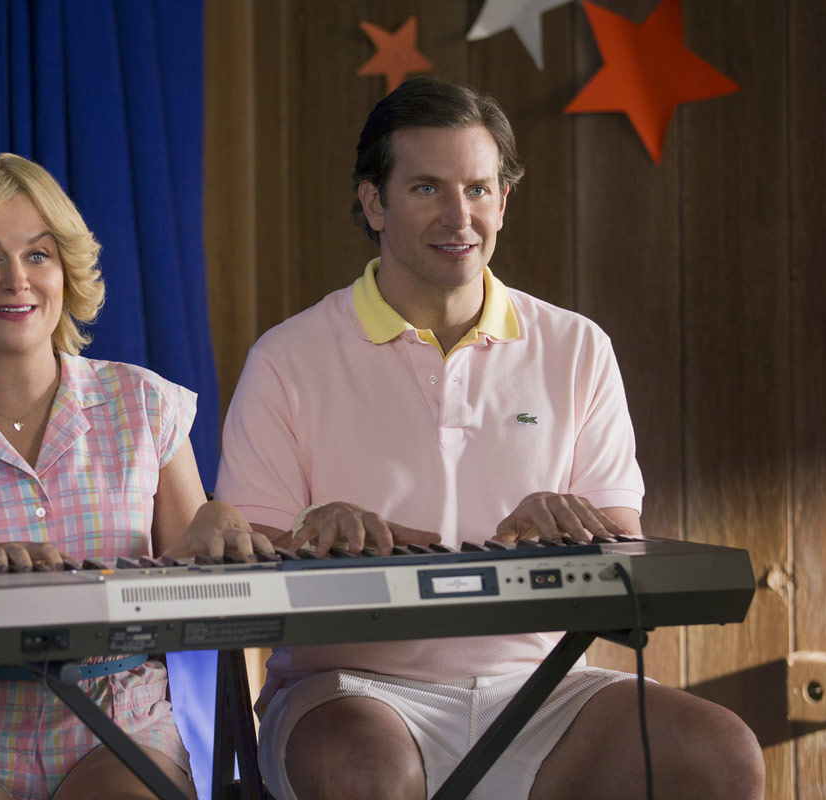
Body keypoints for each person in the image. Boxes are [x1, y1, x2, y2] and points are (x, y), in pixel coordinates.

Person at [213, 77, 765, 799]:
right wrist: (314, 534)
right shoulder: (286, 358)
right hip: (349, 692)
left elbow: (621, 536)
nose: (459, 216)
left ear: (503, 200)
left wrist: (572, 530)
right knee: (367, 772)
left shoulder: (578, 348)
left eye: (478, 189)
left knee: (723, 754)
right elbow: (245, 550)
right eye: (426, 189)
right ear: (374, 203)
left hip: (544, 690)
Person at [0, 152, 273, 800]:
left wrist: (216, 521)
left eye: (38, 254)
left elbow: (196, 602)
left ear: (65, 271)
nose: (17, 280)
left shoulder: (145, 404)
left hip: (125, 730)